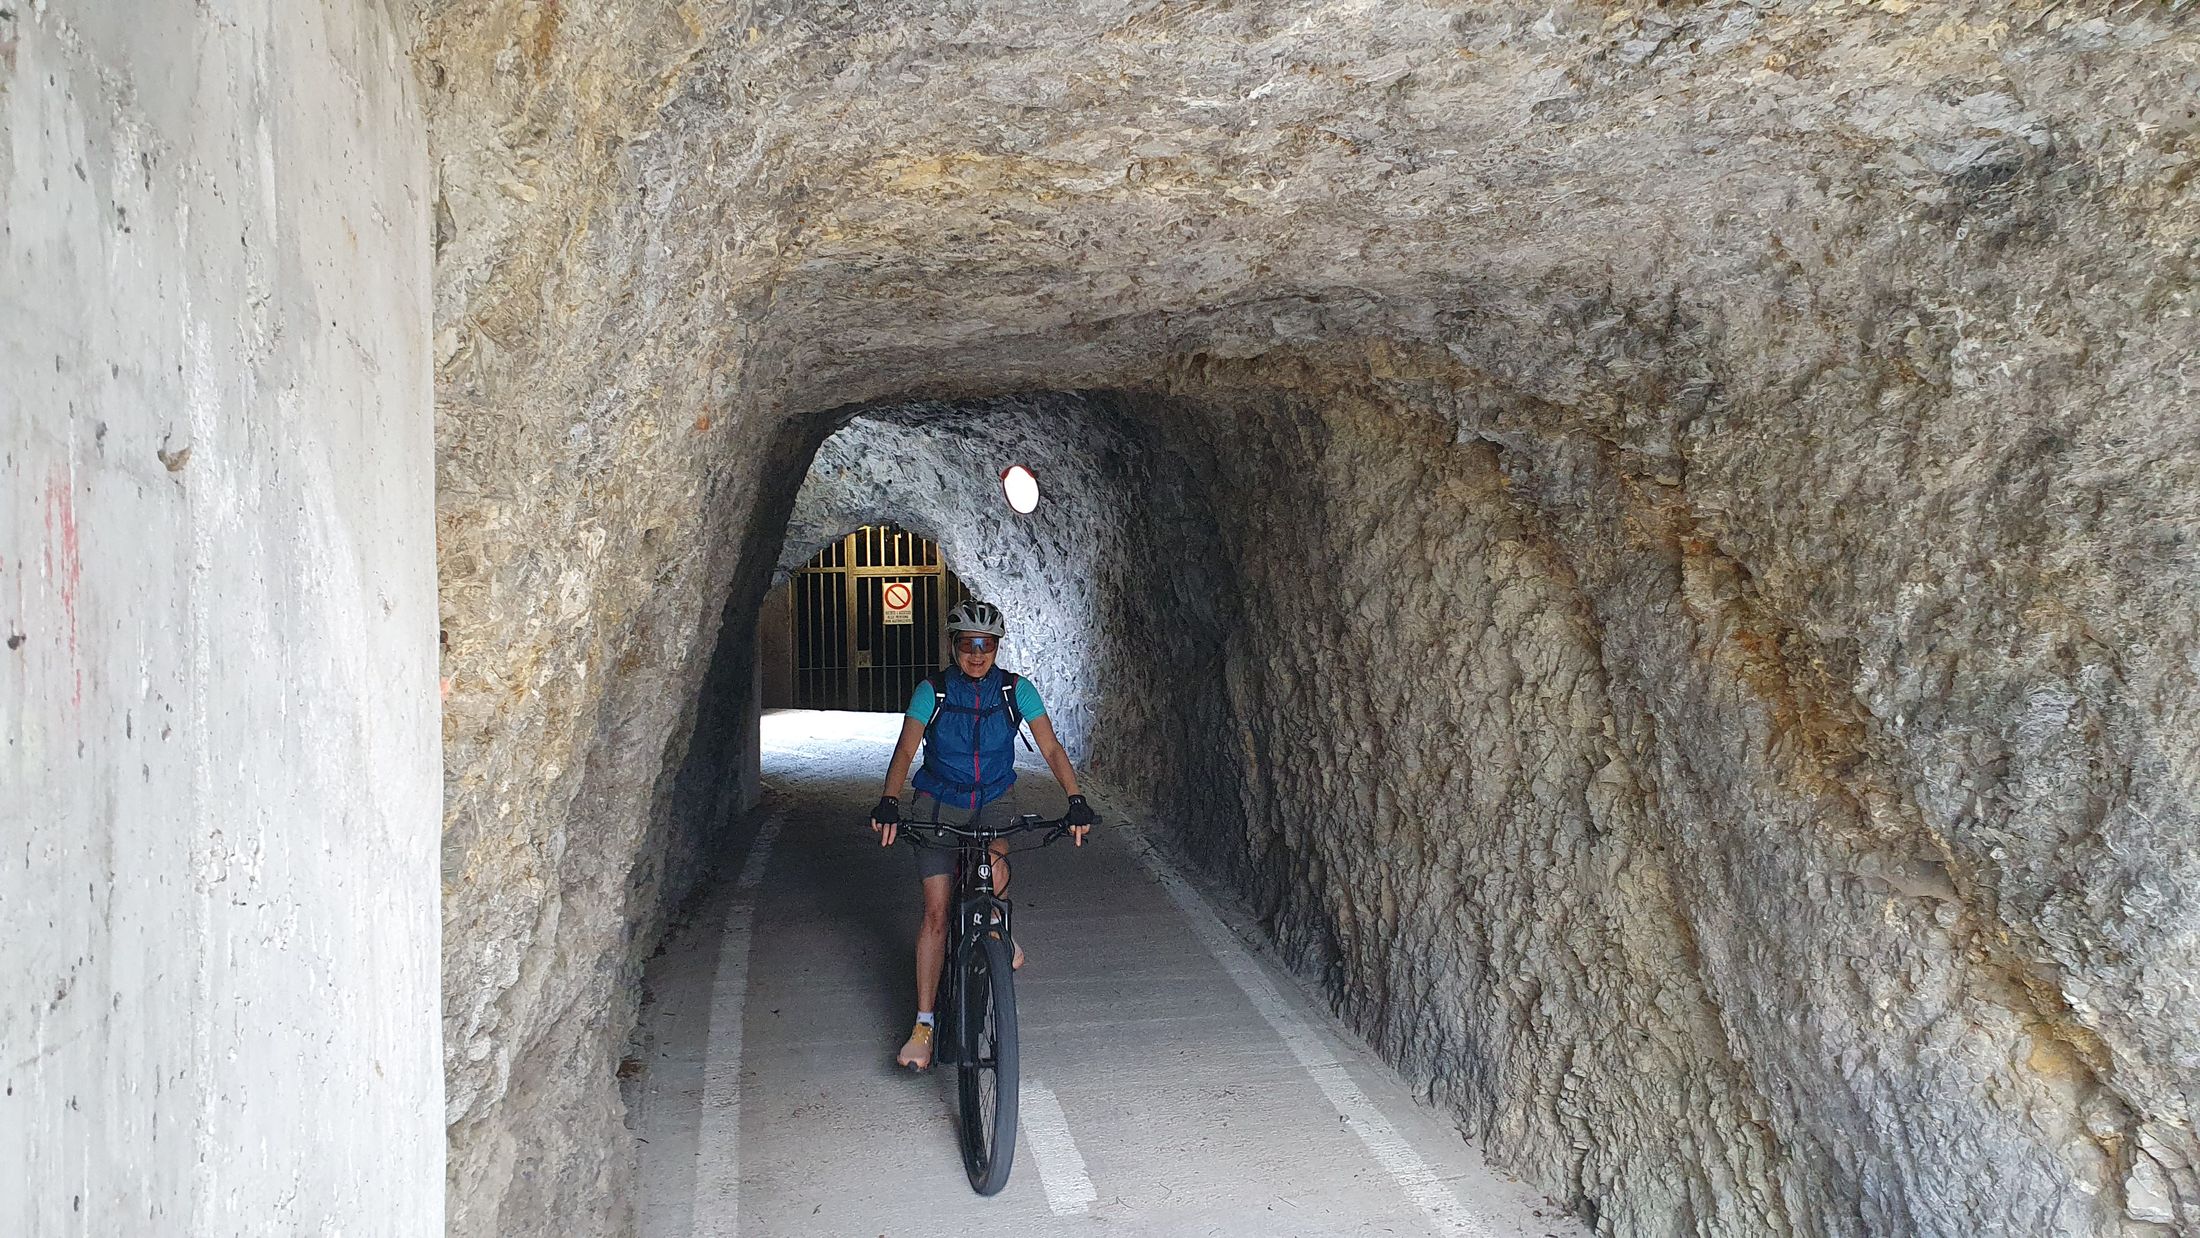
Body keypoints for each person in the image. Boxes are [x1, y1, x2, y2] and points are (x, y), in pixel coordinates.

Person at [868, 599, 1096, 1070]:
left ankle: (998, 929)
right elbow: (906, 749)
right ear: (954, 647)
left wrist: (1075, 798)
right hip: (937, 802)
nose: (977, 654)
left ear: (996, 648)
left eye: (986, 645)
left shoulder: (1016, 691)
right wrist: (890, 800)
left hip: (992, 798)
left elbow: (1050, 747)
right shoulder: (933, 692)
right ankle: (924, 1024)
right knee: (935, 914)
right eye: (969, 644)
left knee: (995, 870)